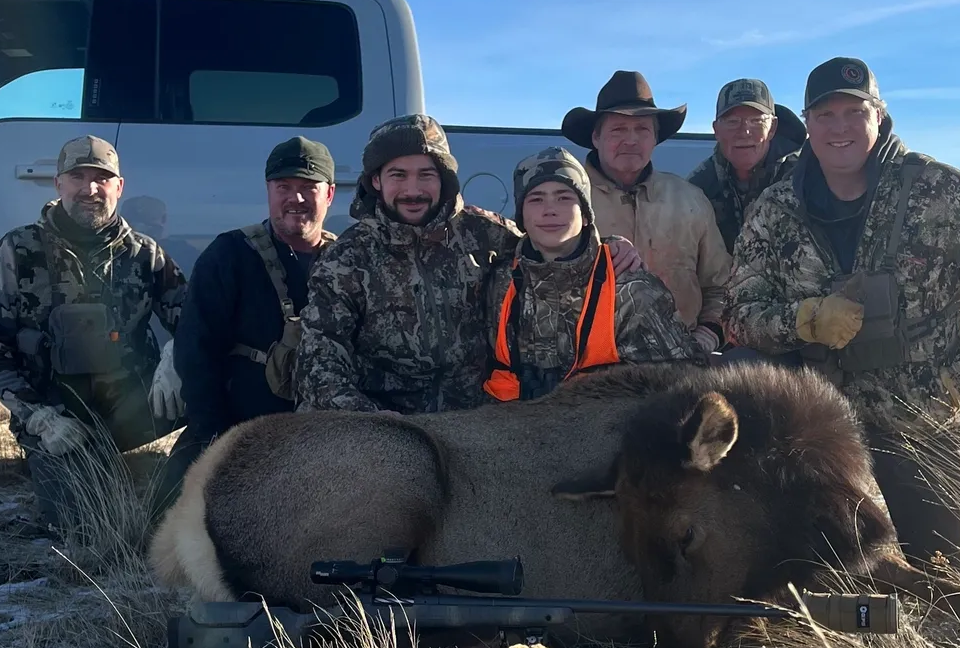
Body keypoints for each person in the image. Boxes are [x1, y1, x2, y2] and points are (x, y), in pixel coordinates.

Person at [725, 56, 960, 573]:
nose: (839, 128)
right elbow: (741, 313)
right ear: (807, 124)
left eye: (854, 112)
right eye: (825, 115)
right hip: (822, 423)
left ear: (879, 114)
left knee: (947, 575)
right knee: (817, 572)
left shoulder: (946, 191)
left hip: (923, 418)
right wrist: (804, 320)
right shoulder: (775, 209)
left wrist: (952, 383)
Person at [293, 114, 642, 416]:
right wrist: (368, 418)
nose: (413, 189)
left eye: (426, 175)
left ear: (444, 179)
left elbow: (552, 246)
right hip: (384, 424)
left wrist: (606, 248)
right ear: (376, 181)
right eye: (398, 175)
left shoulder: (487, 234)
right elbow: (319, 355)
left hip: (479, 422)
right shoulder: (347, 258)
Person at [0, 135, 187, 540]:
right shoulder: (19, 249)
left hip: (133, 406)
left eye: (102, 179)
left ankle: (192, 485)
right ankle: (87, 466)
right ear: (58, 185)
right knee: (81, 528)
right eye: (77, 177)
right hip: (58, 418)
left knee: (220, 383)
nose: (90, 189)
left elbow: (194, 320)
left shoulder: (144, 253)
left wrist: (177, 354)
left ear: (119, 187)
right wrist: (39, 416)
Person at [147, 137, 338, 516]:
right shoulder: (230, 254)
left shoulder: (347, 262)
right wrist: (214, 436)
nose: (295, 199)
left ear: (329, 194)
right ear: (268, 190)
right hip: (237, 421)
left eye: (307, 188)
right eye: (284, 187)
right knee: (164, 521)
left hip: (322, 427)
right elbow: (197, 347)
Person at [483, 147, 703, 401]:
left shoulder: (630, 288)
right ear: (521, 215)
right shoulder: (501, 282)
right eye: (536, 199)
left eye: (564, 197)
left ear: (586, 215)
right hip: (511, 427)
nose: (549, 210)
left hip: (599, 432)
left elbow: (685, 381)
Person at [561, 70, 731, 357]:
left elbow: (722, 288)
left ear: (655, 139)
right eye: (618, 129)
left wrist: (706, 337)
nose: (631, 140)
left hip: (681, 363)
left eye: (642, 129)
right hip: (586, 365)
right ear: (596, 137)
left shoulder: (691, 200)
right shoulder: (564, 201)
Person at [686, 78, 806, 255]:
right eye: (733, 121)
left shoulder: (802, 178)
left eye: (756, 121)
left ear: (772, 128)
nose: (744, 132)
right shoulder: (698, 188)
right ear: (716, 130)